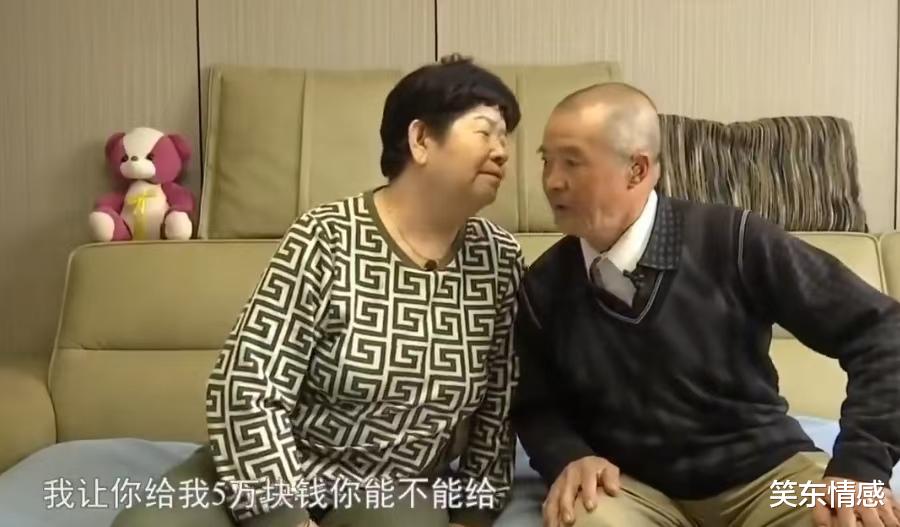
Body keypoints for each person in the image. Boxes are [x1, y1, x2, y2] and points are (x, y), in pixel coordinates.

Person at [113, 54, 523, 527]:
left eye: (505, 137)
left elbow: (499, 411)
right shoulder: (326, 237)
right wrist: (285, 518)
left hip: (390, 493)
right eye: (485, 131)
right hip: (269, 473)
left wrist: (473, 517)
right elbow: (246, 387)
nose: (502, 152)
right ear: (421, 139)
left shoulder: (500, 261)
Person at [511, 82, 900, 527]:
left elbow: (882, 330)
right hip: (629, 487)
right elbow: (534, 404)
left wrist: (860, 466)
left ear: (637, 170)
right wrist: (568, 455)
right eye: (546, 161)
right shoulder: (544, 285)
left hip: (766, 477)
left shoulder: (734, 240)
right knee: (582, 519)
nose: (552, 181)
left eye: (572, 162)